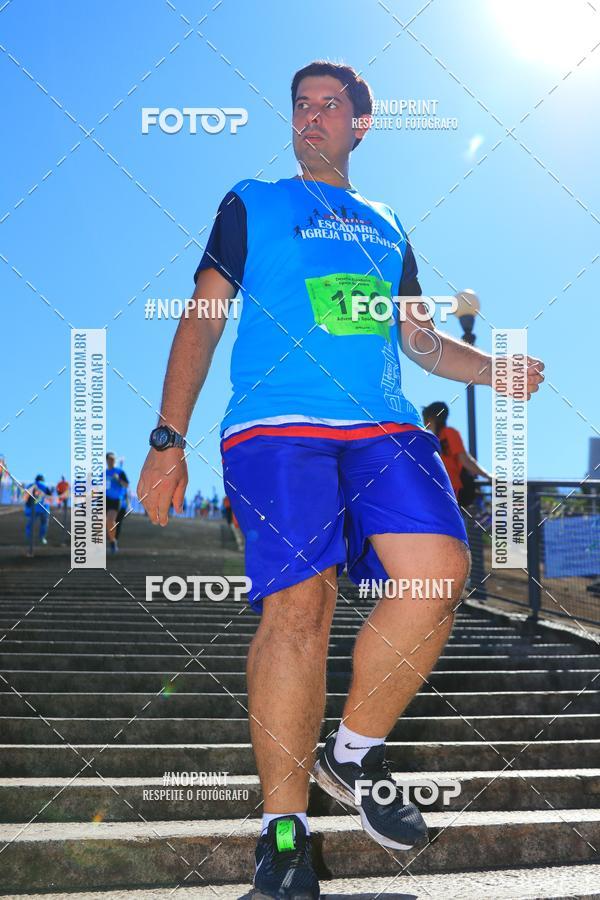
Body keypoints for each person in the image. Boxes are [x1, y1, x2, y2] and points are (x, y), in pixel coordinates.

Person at [137, 60, 545, 899]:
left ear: (361, 125)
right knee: (302, 604)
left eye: (331, 107)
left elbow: (422, 343)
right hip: (279, 426)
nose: (313, 117)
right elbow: (205, 315)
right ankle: (282, 838)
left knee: (441, 576)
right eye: (301, 106)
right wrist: (167, 437)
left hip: (386, 429)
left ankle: (350, 754)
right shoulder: (253, 200)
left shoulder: (389, 221)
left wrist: (490, 368)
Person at [422, 401, 491, 507]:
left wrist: (487, 475)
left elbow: (465, 461)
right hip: (446, 493)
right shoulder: (435, 439)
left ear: (432, 417)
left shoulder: (448, 434)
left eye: (426, 416)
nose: (424, 420)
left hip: (452, 492)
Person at [106, 453, 129, 554]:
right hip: (104, 498)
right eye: (110, 459)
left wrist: (118, 479)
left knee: (111, 521)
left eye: (113, 459)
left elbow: (126, 484)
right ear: (106, 460)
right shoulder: (104, 473)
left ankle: (113, 542)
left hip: (115, 500)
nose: (112, 461)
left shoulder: (120, 472)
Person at [24, 474, 53, 555]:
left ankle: (29, 538)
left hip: (34, 509)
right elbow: (50, 498)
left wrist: (28, 506)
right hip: (44, 509)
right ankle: (42, 538)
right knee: (44, 524)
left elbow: (26, 497)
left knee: (30, 525)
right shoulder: (46, 486)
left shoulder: (31, 485)